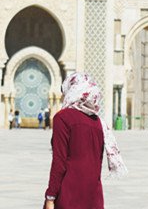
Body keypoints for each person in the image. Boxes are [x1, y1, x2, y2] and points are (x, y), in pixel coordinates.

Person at [44, 72, 127, 209]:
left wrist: (50, 196)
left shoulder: (63, 118)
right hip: (94, 198)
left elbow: (59, 162)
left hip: (68, 196)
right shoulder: (98, 123)